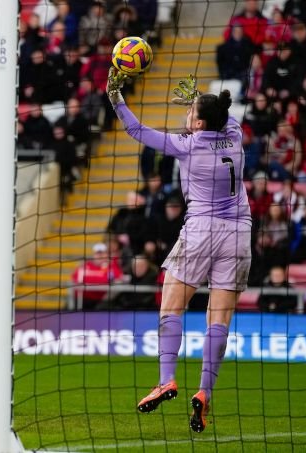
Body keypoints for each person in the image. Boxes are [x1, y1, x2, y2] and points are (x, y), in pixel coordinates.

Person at [106, 69, 252, 432]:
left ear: (199, 122)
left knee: (171, 307)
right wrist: (198, 99)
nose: (186, 118)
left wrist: (115, 97)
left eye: (191, 114)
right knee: (218, 321)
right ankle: (205, 393)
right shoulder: (235, 134)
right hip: (239, 234)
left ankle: (167, 378)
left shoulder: (188, 145)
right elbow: (219, 114)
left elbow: (137, 130)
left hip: (201, 230)